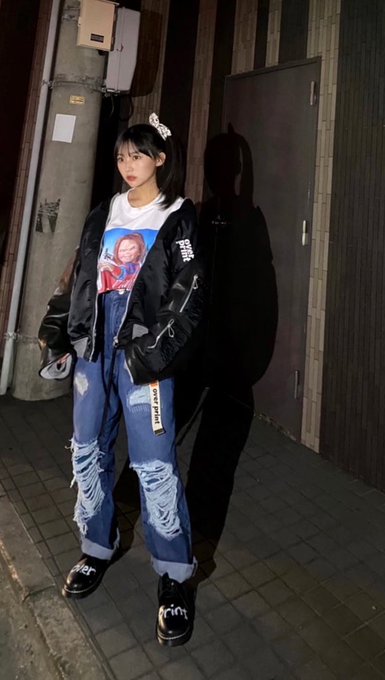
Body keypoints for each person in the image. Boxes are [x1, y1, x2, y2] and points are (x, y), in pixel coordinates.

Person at [38, 113, 205, 647]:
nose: (127, 166)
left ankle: (174, 576)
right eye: (121, 157)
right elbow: (81, 272)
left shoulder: (177, 215)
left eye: (137, 155)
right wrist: (59, 325)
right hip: (95, 345)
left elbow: (189, 291)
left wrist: (153, 353)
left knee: (154, 464)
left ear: (160, 159)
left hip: (143, 352)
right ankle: (96, 547)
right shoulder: (105, 211)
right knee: (88, 449)